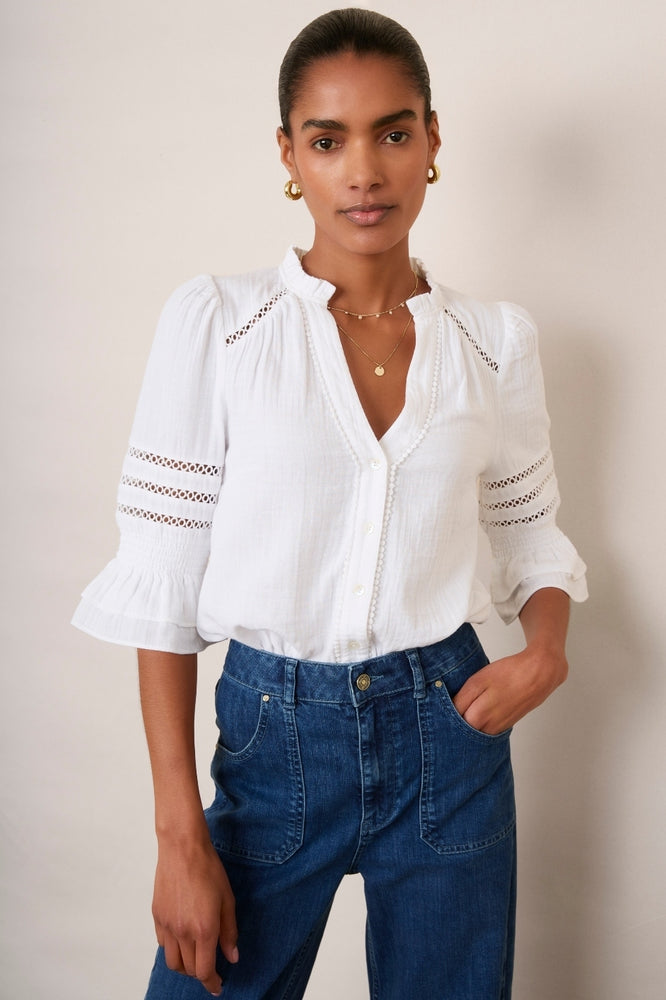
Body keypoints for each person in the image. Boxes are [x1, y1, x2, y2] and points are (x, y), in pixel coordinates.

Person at [73, 8, 587, 999]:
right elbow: (162, 585)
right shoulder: (221, 326)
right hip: (274, 741)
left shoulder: (495, 342)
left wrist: (546, 653)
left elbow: (530, 532)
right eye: (327, 140)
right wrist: (178, 835)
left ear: (432, 141)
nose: (364, 172)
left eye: (392, 133)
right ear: (288, 155)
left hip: (451, 736)